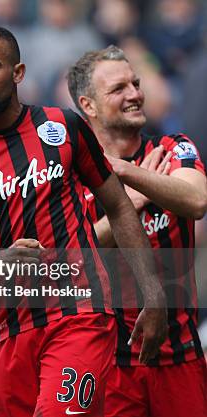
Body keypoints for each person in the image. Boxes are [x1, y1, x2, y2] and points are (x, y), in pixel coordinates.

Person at [0, 25, 168, 417]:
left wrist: (153, 293)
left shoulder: (63, 127)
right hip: (10, 330)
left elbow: (120, 206)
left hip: (80, 314)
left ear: (18, 73)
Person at [68, 45, 207, 417]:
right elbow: (69, 257)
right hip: (109, 363)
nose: (134, 94)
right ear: (89, 105)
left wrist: (127, 172)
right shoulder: (69, 175)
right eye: (118, 89)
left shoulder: (172, 148)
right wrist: (128, 203)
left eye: (136, 83)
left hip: (181, 356)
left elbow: (196, 201)